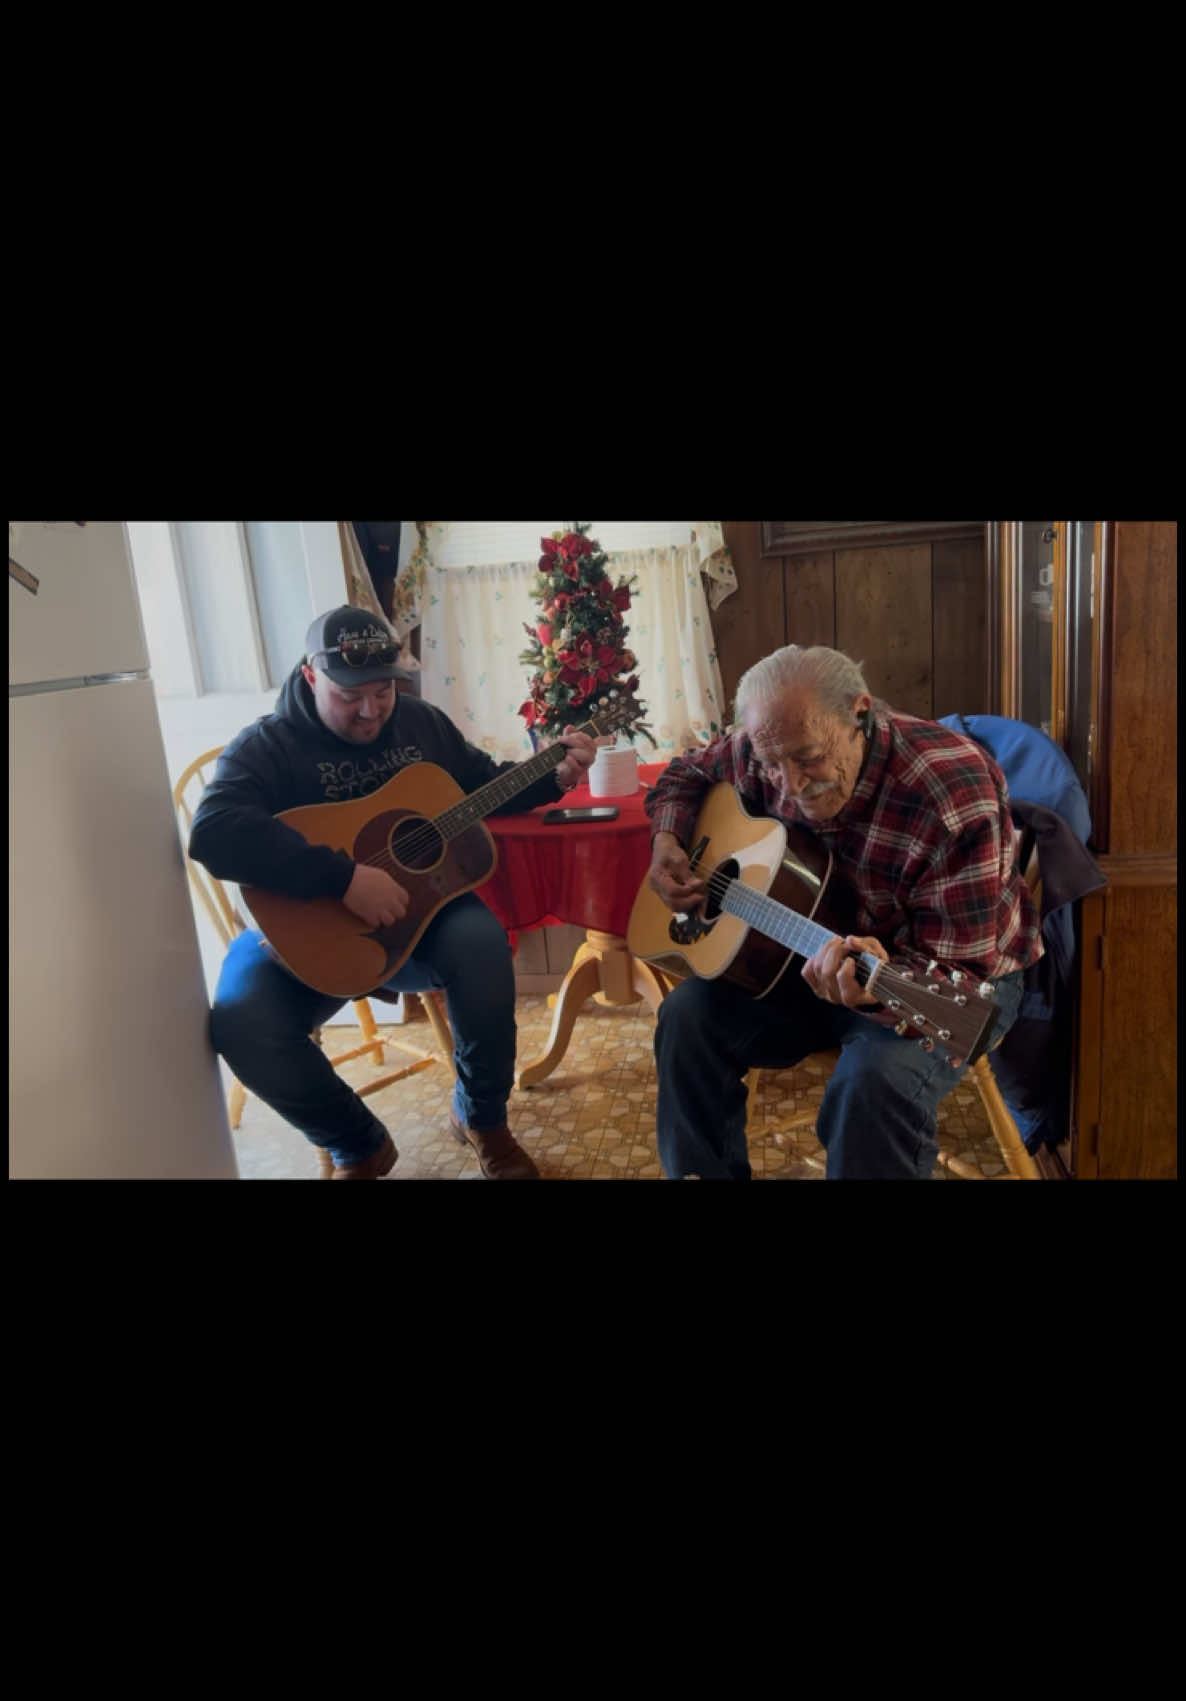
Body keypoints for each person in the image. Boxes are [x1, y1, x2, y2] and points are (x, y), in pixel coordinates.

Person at [188, 605, 598, 1179]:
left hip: (420, 925)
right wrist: (344, 879)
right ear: (311, 676)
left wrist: (553, 778)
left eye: (382, 691)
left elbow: (483, 787)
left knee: (481, 944)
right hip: (311, 938)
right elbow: (212, 832)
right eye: (349, 694)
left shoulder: (420, 724)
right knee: (239, 1020)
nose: (370, 709)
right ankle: (358, 1144)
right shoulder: (267, 746)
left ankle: (481, 1119)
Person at [644, 645, 1043, 1180]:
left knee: (872, 1083)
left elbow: (963, 975)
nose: (789, 783)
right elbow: (682, 776)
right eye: (769, 763)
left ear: (860, 713)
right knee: (685, 1018)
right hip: (797, 962)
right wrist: (668, 841)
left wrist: (878, 990)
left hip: (945, 980)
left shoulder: (951, 790)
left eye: (808, 756)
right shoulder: (764, 743)